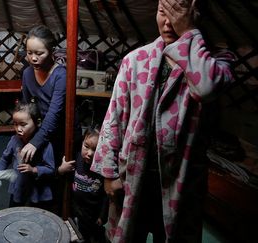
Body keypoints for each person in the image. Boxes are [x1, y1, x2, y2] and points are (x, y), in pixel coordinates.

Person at [90, 0, 235, 242]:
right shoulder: (135, 60)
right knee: (127, 236)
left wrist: (188, 32)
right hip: (133, 176)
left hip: (181, 182)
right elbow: (113, 118)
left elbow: (206, 87)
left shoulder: (217, 62)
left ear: (196, 14)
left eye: (176, 14)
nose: (168, 22)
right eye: (162, 12)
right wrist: (109, 173)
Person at [20, 25, 81, 215]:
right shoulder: (27, 73)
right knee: (43, 173)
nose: (34, 58)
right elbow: (27, 107)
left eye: (39, 53)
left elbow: (55, 113)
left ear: (52, 52)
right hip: (43, 131)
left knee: (62, 175)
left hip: (65, 132)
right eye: (29, 53)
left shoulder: (60, 75)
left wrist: (35, 142)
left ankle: (64, 217)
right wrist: (26, 133)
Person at [0, 101, 56, 210]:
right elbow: (5, 159)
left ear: (37, 122)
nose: (18, 129)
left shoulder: (46, 145)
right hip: (18, 187)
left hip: (37, 191)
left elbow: (51, 169)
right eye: (15, 124)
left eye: (23, 124)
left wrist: (33, 169)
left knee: (35, 217)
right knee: (14, 213)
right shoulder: (14, 140)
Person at [59, 126, 109, 243]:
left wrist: (102, 216)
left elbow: (106, 196)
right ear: (82, 142)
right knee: (80, 235)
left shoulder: (102, 167)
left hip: (94, 212)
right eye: (86, 146)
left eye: (95, 149)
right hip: (76, 208)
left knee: (96, 236)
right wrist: (62, 169)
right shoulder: (76, 158)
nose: (90, 153)